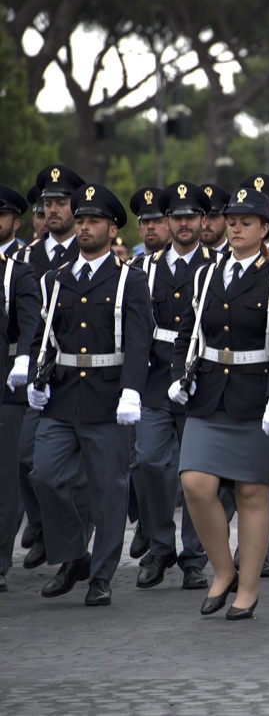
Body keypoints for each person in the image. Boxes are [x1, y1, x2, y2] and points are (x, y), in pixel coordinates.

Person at [170, 187, 269, 620]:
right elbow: (188, 331)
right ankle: (222, 570)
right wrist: (178, 376)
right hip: (209, 395)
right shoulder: (207, 275)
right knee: (195, 483)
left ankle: (247, 589)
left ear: (266, 228)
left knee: (250, 492)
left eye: (248, 221)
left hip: (256, 397)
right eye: (233, 220)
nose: (237, 227)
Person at [28, 183, 153, 606]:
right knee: (43, 472)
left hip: (108, 396)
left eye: (93, 221)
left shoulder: (129, 281)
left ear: (112, 227)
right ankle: (73, 555)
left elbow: (138, 342)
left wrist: (132, 392)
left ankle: (100, 575)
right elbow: (43, 337)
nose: (83, 227)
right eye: (79, 220)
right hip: (63, 396)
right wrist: (34, 378)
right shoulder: (56, 279)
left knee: (108, 491)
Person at [128, 182, 221, 592]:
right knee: (148, 461)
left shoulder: (218, 266)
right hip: (154, 379)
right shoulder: (143, 268)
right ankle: (160, 543)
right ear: (166, 223)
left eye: (191, 217)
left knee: (196, 475)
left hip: (201, 381)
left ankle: (194, 558)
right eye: (176, 218)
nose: (184, 224)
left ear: (203, 221)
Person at [15, 165, 85, 570]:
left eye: (60, 203)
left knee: (78, 473)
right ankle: (43, 527)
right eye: (47, 204)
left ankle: (70, 546)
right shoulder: (29, 257)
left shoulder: (88, 251)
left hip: (80, 371)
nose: (53, 210)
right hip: (38, 370)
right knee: (28, 458)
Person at [0, 184, 40, 593]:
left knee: (5, 472)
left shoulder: (18, 268)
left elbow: (29, 321)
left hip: (6, 378)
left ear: (16, 221)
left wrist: (24, 359)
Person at [198, 184, 230, 253]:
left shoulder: (237, 256)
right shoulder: (186, 258)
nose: (206, 224)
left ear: (226, 220)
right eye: (202, 217)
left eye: (213, 217)